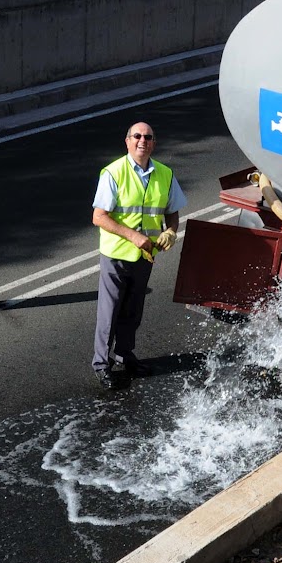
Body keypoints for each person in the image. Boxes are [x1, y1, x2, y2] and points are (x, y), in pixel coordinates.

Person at [90, 121, 186, 390]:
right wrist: (133, 236)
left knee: (133, 309)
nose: (142, 141)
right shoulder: (114, 172)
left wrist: (171, 231)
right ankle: (101, 364)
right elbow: (99, 217)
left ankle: (124, 355)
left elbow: (173, 211)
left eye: (148, 137)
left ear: (154, 143)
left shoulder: (165, 174)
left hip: (146, 256)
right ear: (128, 141)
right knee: (109, 312)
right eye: (137, 136)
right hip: (117, 254)